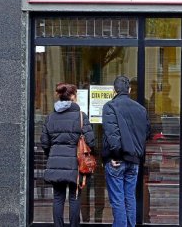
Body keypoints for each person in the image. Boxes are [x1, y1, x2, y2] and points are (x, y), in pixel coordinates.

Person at [41, 83, 95, 227]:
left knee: (58, 198)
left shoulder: (50, 117)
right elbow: (91, 141)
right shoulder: (81, 117)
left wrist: (52, 155)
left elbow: (44, 143)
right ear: (72, 96)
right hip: (75, 164)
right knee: (74, 197)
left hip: (55, 162)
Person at [102, 76, 150, 227]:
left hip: (117, 160)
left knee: (117, 200)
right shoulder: (141, 109)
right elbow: (146, 132)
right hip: (134, 160)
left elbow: (112, 134)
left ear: (113, 90)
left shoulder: (110, 106)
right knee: (130, 197)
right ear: (129, 90)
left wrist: (115, 155)